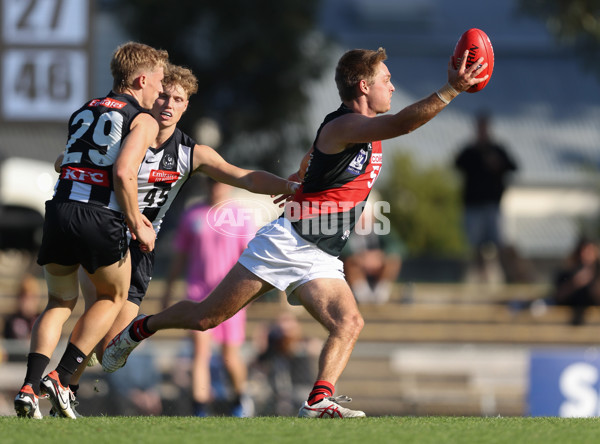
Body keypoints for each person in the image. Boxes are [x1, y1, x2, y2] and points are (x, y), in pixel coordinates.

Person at [102, 46, 487, 418]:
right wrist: (451, 88)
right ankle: (139, 328)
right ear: (364, 87)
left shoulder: (355, 130)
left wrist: (300, 178)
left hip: (321, 255)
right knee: (206, 319)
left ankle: (318, 401)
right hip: (288, 244)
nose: (392, 85)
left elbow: (314, 156)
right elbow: (402, 123)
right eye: (386, 79)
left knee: (349, 322)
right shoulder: (347, 124)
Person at [60, 64, 299, 417]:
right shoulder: (126, 133)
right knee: (97, 320)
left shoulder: (191, 153)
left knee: (109, 346)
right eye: (163, 95)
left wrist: (289, 186)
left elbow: (243, 177)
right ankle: (62, 389)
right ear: (151, 96)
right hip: (107, 237)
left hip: (141, 251)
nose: (168, 104)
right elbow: (71, 160)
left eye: (178, 99)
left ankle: (63, 385)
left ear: (186, 106)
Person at [14, 41, 168, 420]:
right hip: (99, 217)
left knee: (58, 303)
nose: (161, 92)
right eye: (160, 82)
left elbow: (60, 162)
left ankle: (29, 387)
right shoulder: (143, 118)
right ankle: (64, 378)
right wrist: (137, 225)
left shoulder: (85, 109)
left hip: (59, 211)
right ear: (141, 79)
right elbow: (122, 172)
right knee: (111, 298)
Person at [161, 179, 253, 417]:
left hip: (231, 294)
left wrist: (249, 292)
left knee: (229, 357)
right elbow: (179, 258)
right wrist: (167, 292)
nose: (215, 187)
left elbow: (249, 256)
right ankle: (199, 407)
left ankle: (240, 400)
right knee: (200, 354)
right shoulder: (193, 215)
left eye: (220, 183)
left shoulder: (240, 216)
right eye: (211, 182)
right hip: (198, 294)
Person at [454, 111, 518, 283]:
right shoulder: (470, 150)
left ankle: (506, 278)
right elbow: (457, 164)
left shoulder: (497, 149)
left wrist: (497, 163)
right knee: (475, 246)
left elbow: (513, 167)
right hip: (473, 206)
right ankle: (476, 278)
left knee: (499, 245)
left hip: (493, 205)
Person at [341, 197, 404, 304]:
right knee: (350, 263)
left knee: (393, 260)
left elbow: (398, 246)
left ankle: (380, 295)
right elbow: (341, 249)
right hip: (355, 266)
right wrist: (361, 258)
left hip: (377, 266)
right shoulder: (346, 229)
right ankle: (362, 296)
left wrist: (380, 256)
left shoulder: (381, 228)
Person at [550, 237, 600, 325]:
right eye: (583, 251)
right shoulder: (567, 273)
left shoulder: (597, 274)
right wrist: (575, 283)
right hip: (565, 323)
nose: (586, 255)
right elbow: (557, 297)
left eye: (590, 252)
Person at [3, 274, 41, 341]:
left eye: (31, 297)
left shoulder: (42, 319)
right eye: (24, 297)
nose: (27, 301)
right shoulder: (11, 321)